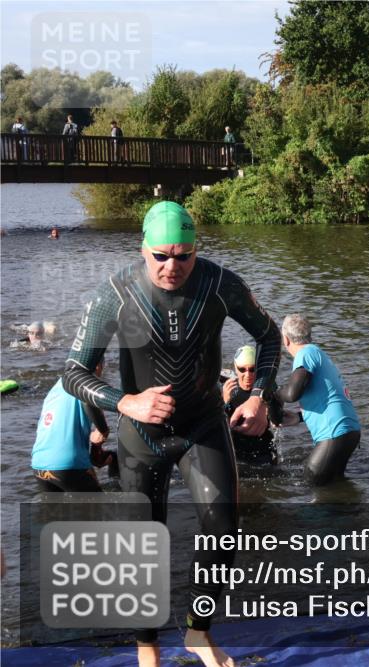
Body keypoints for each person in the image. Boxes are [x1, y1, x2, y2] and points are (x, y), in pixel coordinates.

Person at [63, 200, 281, 667]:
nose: (172, 266)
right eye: (161, 256)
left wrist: (258, 397)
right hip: (141, 434)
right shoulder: (116, 292)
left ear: (196, 250)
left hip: (203, 424)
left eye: (184, 256)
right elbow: (73, 372)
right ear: (143, 248)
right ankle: (148, 648)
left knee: (223, 529)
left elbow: (268, 336)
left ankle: (198, 633)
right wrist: (125, 402)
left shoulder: (219, 284)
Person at [276, 314, 361, 485]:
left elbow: (292, 394)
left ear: (285, 339)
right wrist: (299, 417)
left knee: (311, 483)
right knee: (335, 487)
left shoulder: (305, 353)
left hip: (334, 433)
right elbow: (328, 397)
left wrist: (275, 395)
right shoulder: (319, 354)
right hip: (350, 432)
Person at [32, 360, 114, 492]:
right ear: (98, 365)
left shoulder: (57, 387)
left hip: (39, 465)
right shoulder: (85, 381)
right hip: (68, 464)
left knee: (57, 506)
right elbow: (87, 401)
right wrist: (102, 430)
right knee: (101, 505)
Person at [222, 345, 283, 466]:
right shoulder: (228, 390)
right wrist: (225, 402)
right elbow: (220, 429)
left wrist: (269, 402)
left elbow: (277, 421)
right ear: (235, 368)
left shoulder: (268, 388)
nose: (248, 374)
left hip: (263, 451)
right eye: (242, 369)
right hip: (237, 451)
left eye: (252, 369)